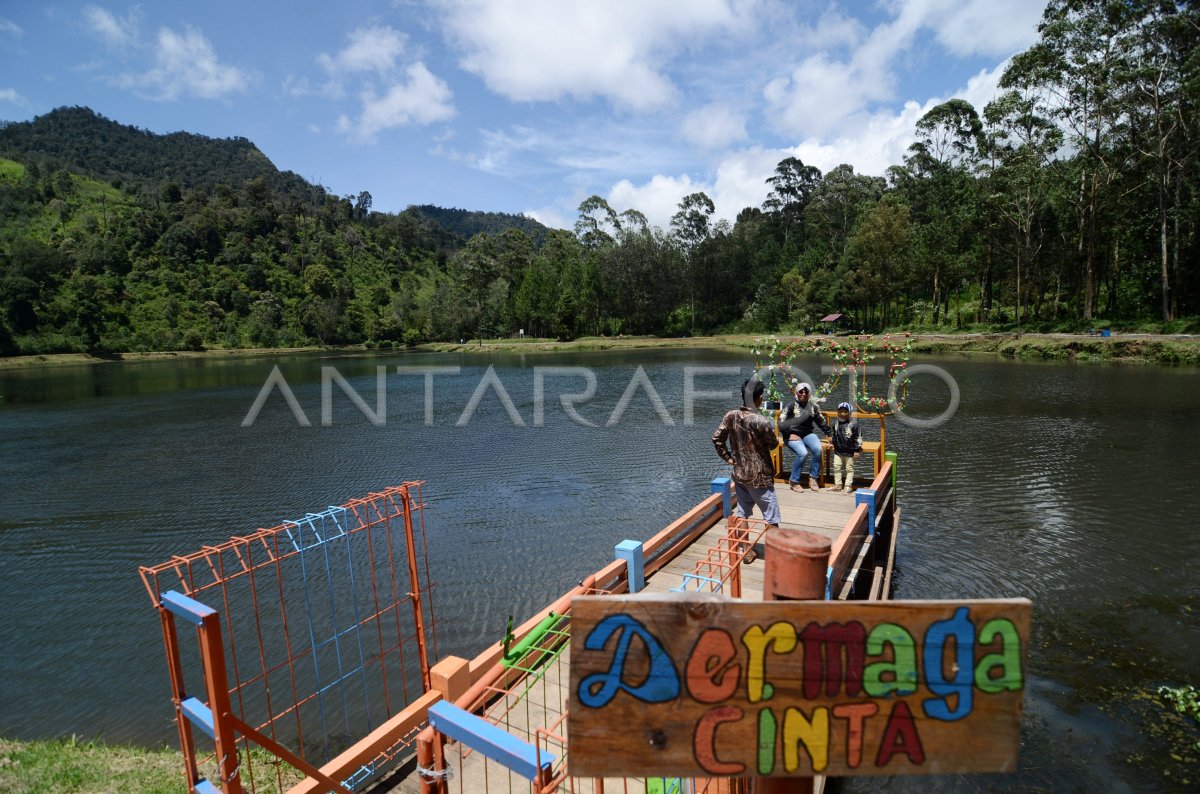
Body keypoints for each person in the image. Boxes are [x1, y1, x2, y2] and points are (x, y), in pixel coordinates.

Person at [712, 379, 781, 561]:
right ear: (759, 398)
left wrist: (727, 457)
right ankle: (776, 555)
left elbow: (716, 438)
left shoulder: (731, 416)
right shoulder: (760, 421)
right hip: (760, 477)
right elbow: (773, 444)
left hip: (740, 473)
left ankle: (746, 551)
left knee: (743, 512)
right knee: (771, 517)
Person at [778, 382, 830, 491]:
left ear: (809, 393)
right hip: (792, 434)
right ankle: (794, 481)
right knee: (803, 453)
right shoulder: (791, 404)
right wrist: (788, 434)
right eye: (801, 391)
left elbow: (821, 422)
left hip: (807, 433)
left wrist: (830, 435)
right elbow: (781, 421)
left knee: (818, 449)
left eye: (806, 392)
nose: (803, 394)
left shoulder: (812, 406)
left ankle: (813, 478)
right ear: (797, 392)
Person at [829, 401, 862, 492]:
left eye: (845, 412)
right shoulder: (836, 424)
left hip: (850, 451)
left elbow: (858, 438)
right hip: (838, 450)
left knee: (849, 468)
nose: (842, 414)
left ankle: (848, 485)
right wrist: (832, 443)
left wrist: (856, 450)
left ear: (849, 413)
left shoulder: (854, 425)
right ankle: (838, 484)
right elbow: (835, 435)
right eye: (840, 412)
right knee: (836, 466)